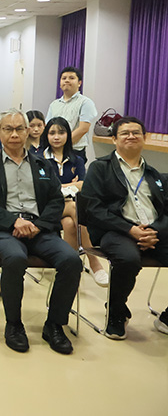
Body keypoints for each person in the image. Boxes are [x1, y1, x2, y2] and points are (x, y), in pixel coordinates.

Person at [0, 108, 82, 354]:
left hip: (40, 229)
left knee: (71, 260)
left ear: (28, 131)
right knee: (15, 258)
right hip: (3, 230)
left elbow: (55, 200)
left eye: (20, 128)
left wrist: (38, 226)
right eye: (8, 129)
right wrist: (13, 222)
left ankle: (54, 324)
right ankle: (14, 325)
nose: (15, 134)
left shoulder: (42, 163)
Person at [81, 116, 168, 339]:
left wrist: (155, 231)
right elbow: (94, 209)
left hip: (152, 232)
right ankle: (116, 311)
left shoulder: (154, 174)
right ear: (114, 139)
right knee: (128, 259)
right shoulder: (100, 168)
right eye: (125, 133)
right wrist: (130, 230)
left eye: (136, 133)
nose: (131, 136)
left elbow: (165, 211)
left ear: (144, 138)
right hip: (116, 232)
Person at [41, 117, 108, 286]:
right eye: (52, 133)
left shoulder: (77, 159)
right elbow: (44, 188)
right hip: (45, 207)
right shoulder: (39, 159)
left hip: (65, 209)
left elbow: (83, 185)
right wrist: (72, 184)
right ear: (46, 136)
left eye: (61, 132)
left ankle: (69, 269)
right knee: (74, 207)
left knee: (70, 224)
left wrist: (63, 185)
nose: (57, 137)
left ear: (68, 135)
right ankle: (94, 262)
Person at [45, 67, 98, 163]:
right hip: (54, 151)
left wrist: (63, 144)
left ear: (79, 83)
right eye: (64, 78)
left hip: (75, 151)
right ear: (60, 83)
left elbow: (83, 129)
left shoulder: (85, 102)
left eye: (71, 78)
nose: (67, 81)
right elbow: (47, 126)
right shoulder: (54, 104)